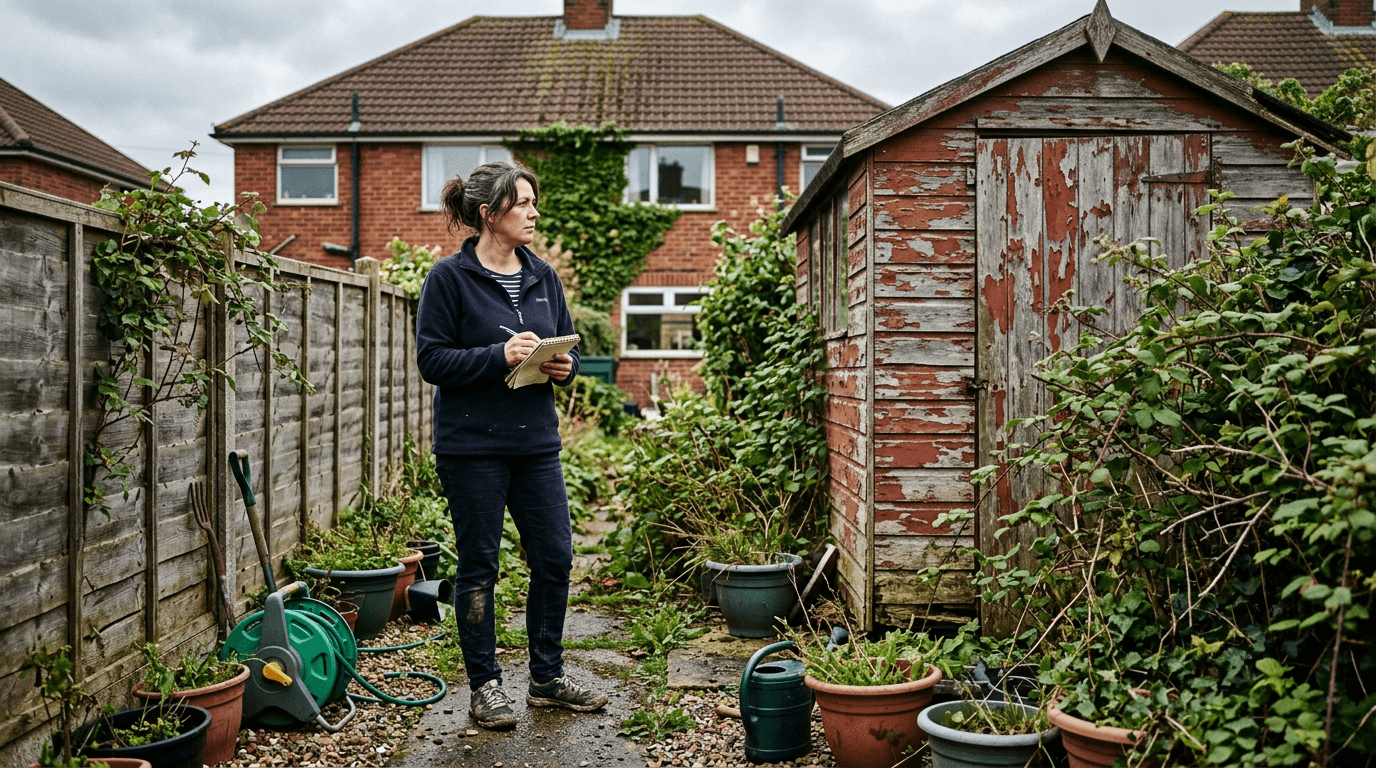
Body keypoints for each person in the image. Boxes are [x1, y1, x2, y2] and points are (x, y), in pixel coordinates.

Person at [415, 161, 608, 730]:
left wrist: (561, 366)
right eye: (522, 203)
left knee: (556, 558)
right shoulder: (448, 280)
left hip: (535, 444)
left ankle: (547, 679)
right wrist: (497, 356)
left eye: (532, 202)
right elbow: (432, 360)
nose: (533, 212)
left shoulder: (543, 276)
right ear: (488, 214)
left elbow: (565, 352)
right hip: (471, 447)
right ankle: (486, 687)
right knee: (479, 566)